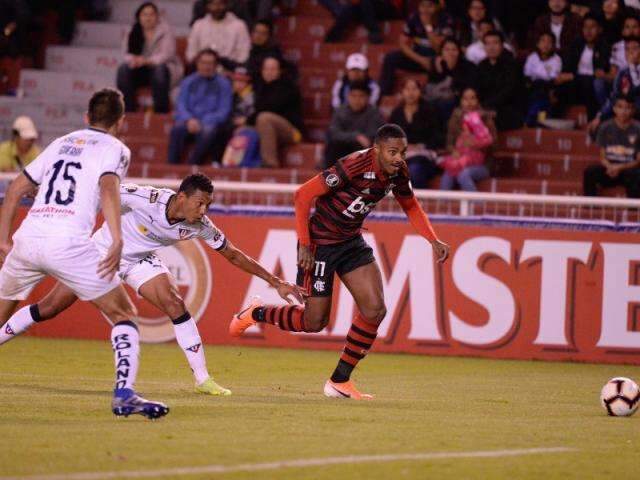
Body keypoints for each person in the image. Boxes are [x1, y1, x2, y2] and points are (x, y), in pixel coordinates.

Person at [0, 174, 305, 394]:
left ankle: (202, 379)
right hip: (102, 253)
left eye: (208, 205)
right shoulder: (142, 197)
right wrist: (43, 193)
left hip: (139, 260)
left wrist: (276, 282)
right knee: (51, 307)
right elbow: (97, 193)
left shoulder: (199, 225)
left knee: (176, 305)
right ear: (182, 197)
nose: (204, 212)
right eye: (200, 204)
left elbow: (233, 255)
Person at [228, 124, 450, 400]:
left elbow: (411, 205)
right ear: (377, 148)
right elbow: (302, 195)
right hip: (319, 244)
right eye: (392, 152)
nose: (398, 158)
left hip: (350, 242)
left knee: (375, 309)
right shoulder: (354, 165)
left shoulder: (398, 172)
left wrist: (433, 239)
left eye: (402, 152)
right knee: (314, 321)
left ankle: (339, 381)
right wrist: (306, 245)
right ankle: (255, 313)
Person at [0, 89, 168, 419]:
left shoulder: (61, 141)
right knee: (123, 313)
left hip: (28, 237)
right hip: (68, 243)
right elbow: (108, 187)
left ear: (86, 117)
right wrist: (117, 236)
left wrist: (4, 239)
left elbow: (16, 189)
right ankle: (124, 395)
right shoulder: (116, 148)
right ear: (121, 122)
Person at [168, 49, 232, 165]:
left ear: (216, 65)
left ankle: (193, 164)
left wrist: (202, 122)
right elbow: (181, 104)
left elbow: (224, 111)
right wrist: (189, 119)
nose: (206, 67)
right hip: (189, 120)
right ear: (197, 64)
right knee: (177, 128)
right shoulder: (188, 81)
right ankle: (172, 165)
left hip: (210, 122)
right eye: (203, 63)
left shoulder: (224, 84)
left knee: (208, 130)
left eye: (210, 63)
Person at [116, 2, 183, 114]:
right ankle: (128, 111)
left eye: (151, 14)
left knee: (159, 70)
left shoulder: (165, 30)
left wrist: (147, 61)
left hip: (164, 69)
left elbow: (167, 54)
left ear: (157, 17)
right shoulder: (132, 30)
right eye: (144, 15)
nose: (148, 18)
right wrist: (134, 60)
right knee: (123, 69)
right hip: (141, 70)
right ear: (139, 17)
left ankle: (161, 113)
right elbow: (126, 54)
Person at [379, 0, 455, 95]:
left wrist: (428, 26)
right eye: (422, 6)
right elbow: (403, 43)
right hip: (418, 58)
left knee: (440, 63)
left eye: (429, 6)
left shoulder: (446, 19)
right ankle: (383, 94)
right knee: (390, 58)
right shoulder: (414, 17)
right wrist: (421, 60)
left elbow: (439, 48)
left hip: (437, 59)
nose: (425, 10)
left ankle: (431, 95)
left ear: (437, 7)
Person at [556, 12, 611, 120]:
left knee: (591, 84)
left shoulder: (604, 46)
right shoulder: (576, 44)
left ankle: (594, 121)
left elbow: (598, 73)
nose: (588, 31)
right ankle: (557, 120)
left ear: (600, 29)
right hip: (576, 83)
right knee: (560, 85)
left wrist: (573, 76)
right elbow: (567, 68)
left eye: (592, 27)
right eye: (585, 27)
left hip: (591, 83)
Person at [388, 79, 443, 188]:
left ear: (420, 92)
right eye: (407, 89)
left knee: (415, 169)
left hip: (424, 156)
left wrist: (420, 146)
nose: (411, 93)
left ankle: (417, 202)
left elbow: (437, 137)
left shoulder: (430, 111)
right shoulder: (396, 113)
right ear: (402, 92)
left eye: (414, 89)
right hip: (402, 156)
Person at [251, 56, 304, 167]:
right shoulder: (261, 86)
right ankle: (241, 164)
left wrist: (246, 120)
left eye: (273, 69)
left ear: (279, 71)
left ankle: (270, 164)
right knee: (243, 129)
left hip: (292, 131)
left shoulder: (287, 86)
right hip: (270, 129)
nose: (269, 72)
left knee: (264, 118)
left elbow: (270, 107)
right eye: (266, 69)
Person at [440, 87, 496, 191]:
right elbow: (449, 144)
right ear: (461, 101)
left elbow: (493, 145)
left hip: (482, 164)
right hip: (459, 160)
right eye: (465, 99)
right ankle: (442, 206)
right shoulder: (455, 119)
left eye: (472, 98)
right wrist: (454, 151)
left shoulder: (485, 119)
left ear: (477, 100)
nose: (469, 102)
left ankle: (477, 206)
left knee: (464, 174)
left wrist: (476, 145)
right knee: (448, 174)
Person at [584, 95, 640, 197]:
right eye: (620, 107)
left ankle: (633, 210)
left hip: (628, 170)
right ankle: (590, 207)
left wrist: (619, 167)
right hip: (609, 169)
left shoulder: (638, 129)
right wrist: (610, 167)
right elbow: (602, 157)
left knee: (636, 175)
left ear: (633, 110)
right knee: (590, 172)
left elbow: (638, 161)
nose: (623, 111)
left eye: (627, 108)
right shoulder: (605, 127)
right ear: (614, 109)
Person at [324, 81, 385, 167]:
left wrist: (358, 139)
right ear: (348, 96)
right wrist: (356, 136)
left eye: (361, 96)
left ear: (367, 98)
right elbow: (334, 133)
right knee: (333, 146)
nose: (357, 100)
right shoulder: (340, 111)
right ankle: (331, 177)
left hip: (362, 150)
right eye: (353, 96)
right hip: (342, 148)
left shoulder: (374, 113)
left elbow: (373, 135)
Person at [590, 36, 640, 131]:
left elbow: (637, 89)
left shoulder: (630, 69)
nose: (630, 52)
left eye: (635, 48)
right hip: (628, 109)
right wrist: (599, 116)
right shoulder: (622, 72)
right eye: (627, 49)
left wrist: (632, 68)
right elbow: (614, 96)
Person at [476, 30, 523, 130]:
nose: (491, 47)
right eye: (488, 44)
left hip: (507, 109)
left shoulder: (512, 65)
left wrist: (487, 106)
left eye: (495, 43)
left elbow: (508, 91)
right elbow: (477, 89)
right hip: (485, 107)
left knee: (487, 118)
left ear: (502, 45)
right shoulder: (481, 65)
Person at [186, 0, 251, 69]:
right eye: (213, 4)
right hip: (202, 70)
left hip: (230, 70)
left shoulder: (239, 26)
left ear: (227, 5)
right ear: (208, 6)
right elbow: (191, 53)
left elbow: (243, 55)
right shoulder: (198, 25)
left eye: (220, 4)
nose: (217, 8)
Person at [426, 37, 478, 123]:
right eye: (447, 49)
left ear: (459, 52)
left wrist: (451, 69)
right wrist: (439, 71)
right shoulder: (437, 64)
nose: (450, 53)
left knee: (443, 105)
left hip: (461, 99)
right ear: (441, 52)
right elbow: (431, 88)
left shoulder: (468, 66)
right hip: (438, 98)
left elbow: (466, 88)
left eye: (454, 49)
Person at [524, 32, 563, 126]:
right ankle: (539, 119)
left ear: (553, 45)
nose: (546, 44)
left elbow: (553, 78)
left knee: (544, 91)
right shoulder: (532, 58)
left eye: (549, 42)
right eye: (543, 41)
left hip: (549, 87)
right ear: (538, 44)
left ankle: (531, 118)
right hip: (533, 87)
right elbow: (527, 76)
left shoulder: (556, 59)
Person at [323, 0, 399, 45]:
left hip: (389, 7)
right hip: (366, 6)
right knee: (351, 9)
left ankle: (374, 31)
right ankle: (332, 37)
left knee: (362, 3)